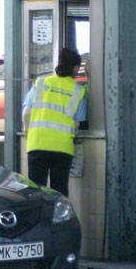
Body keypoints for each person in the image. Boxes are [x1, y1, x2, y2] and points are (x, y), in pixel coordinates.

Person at [22, 47, 87, 196]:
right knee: (59, 192)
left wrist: (28, 133)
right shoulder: (79, 91)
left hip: (37, 144)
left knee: (36, 192)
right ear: (76, 68)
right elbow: (77, 124)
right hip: (62, 148)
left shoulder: (41, 83)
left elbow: (26, 113)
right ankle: (57, 219)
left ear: (59, 63)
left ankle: (37, 220)